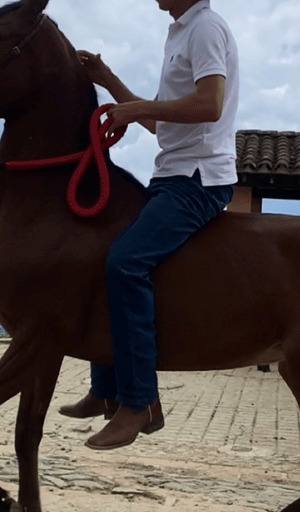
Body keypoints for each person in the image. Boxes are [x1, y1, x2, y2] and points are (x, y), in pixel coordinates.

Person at [59, 0, 240, 450]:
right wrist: (108, 81)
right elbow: (160, 123)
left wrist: (130, 106)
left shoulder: (205, 28)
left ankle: (138, 403)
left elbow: (210, 104)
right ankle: (105, 389)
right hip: (172, 173)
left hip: (197, 179)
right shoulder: (180, 31)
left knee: (126, 263)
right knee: (107, 254)